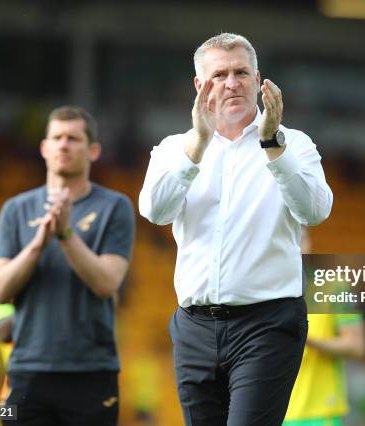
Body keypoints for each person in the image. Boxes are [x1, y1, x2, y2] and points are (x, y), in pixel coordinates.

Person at [139, 33, 333, 426]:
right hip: (194, 326)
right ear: (199, 86)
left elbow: (314, 212)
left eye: (241, 72)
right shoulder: (174, 147)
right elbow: (155, 211)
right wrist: (197, 145)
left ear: (258, 79)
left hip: (267, 324)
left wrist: (272, 146)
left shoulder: (294, 143)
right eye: (220, 74)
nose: (232, 83)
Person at [0, 106, 135, 426]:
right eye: (56, 137)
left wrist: (66, 234)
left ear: (93, 150)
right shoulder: (16, 209)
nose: (63, 145)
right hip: (26, 368)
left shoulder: (115, 207)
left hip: (91, 371)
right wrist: (39, 243)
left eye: (73, 138)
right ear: (44, 148)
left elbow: (107, 283)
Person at [284, 229, 365, 426]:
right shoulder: (262, 291)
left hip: (319, 413)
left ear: (309, 244)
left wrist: (308, 339)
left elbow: (357, 346)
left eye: (301, 239)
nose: (295, 248)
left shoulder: (334, 287)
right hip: (272, 411)